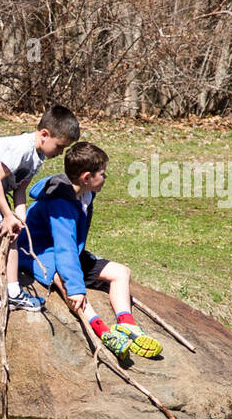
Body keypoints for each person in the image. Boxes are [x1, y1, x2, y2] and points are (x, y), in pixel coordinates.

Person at [19, 141, 164, 360]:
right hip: (38, 253)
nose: (105, 178)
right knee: (65, 282)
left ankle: (127, 325)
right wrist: (76, 287)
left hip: (66, 250)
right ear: (87, 177)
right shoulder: (61, 205)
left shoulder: (84, 193)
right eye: (103, 174)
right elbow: (64, 248)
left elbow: (70, 247)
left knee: (120, 272)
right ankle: (102, 330)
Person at [0, 104, 79, 310]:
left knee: (10, 232)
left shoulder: (37, 157)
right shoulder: (22, 148)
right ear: (44, 135)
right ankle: (10, 292)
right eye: (59, 146)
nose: (60, 152)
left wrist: (20, 217)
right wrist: (7, 215)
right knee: (5, 234)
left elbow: (19, 189)